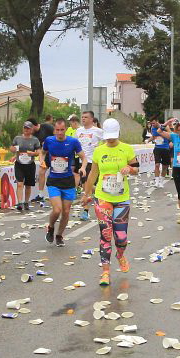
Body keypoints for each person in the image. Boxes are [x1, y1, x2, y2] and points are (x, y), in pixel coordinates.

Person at [80, 118, 138, 287]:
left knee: (121, 237)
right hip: (102, 198)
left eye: (113, 136)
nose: (110, 140)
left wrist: (130, 169)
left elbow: (136, 169)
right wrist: (86, 194)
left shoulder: (126, 149)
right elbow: (93, 175)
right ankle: (105, 271)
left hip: (121, 199)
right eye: (108, 137)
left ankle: (120, 255)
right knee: (105, 234)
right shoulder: (99, 151)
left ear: (118, 133)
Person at [40, 117, 82, 247]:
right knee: (57, 210)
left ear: (66, 129)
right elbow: (42, 152)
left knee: (66, 212)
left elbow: (83, 157)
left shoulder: (73, 141)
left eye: (62, 130)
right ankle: (51, 227)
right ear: (54, 131)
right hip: (53, 180)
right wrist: (41, 160)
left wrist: (84, 168)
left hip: (68, 181)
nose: (59, 133)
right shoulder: (49, 140)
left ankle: (59, 235)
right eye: (57, 130)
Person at [11, 122, 42, 212]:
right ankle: (20, 202)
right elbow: (12, 148)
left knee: (28, 185)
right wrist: (14, 150)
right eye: (25, 128)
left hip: (30, 164)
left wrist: (33, 153)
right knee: (20, 183)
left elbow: (39, 151)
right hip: (19, 163)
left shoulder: (35, 140)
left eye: (28, 128)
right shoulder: (18, 138)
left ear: (31, 129)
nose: (26, 130)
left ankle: (26, 201)